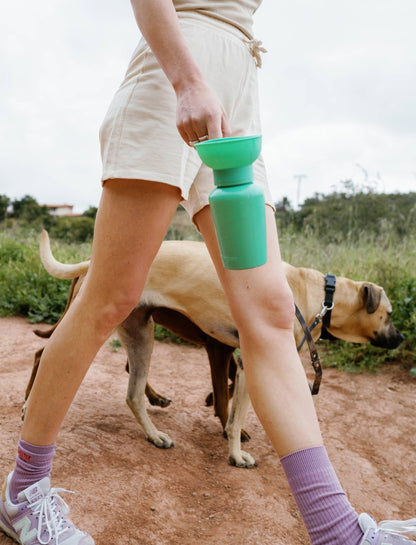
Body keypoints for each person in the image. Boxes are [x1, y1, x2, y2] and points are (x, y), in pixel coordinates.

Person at [1, 1, 415, 544]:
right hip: (177, 74)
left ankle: (339, 534)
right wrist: (188, 78)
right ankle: (23, 494)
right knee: (111, 295)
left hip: (239, 87)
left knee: (270, 313)